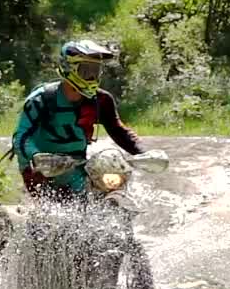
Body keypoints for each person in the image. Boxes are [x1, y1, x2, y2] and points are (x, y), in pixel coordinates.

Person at [11, 40, 144, 200]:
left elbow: (118, 130)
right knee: (55, 208)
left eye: (96, 71)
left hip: (76, 167)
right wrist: (36, 156)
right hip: (40, 170)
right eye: (86, 70)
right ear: (69, 68)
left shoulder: (101, 100)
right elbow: (20, 138)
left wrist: (144, 153)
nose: (92, 77)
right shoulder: (41, 99)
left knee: (110, 171)